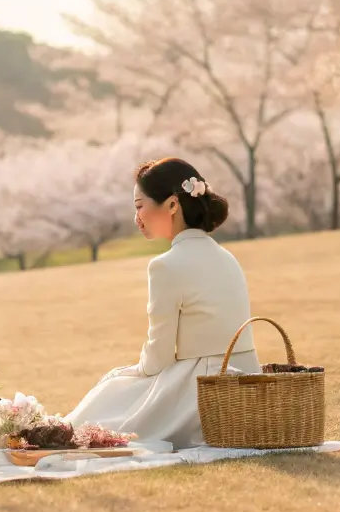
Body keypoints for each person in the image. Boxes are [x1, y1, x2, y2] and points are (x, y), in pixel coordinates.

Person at [65, 158, 256, 449]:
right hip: (248, 383)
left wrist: (129, 373)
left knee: (110, 397)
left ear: (172, 205)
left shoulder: (165, 265)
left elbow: (160, 355)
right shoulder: (227, 257)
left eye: (140, 206)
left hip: (205, 390)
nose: (137, 218)